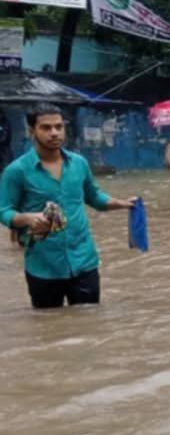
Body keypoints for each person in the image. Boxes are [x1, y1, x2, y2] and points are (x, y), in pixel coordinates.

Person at [0, 103, 137, 309]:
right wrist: (27, 218)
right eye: (46, 128)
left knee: (88, 323)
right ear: (32, 131)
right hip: (43, 265)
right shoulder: (16, 171)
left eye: (58, 126)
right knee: (49, 330)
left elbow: (94, 196)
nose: (54, 133)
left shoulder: (79, 163)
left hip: (84, 261)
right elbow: (4, 211)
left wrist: (120, 203)